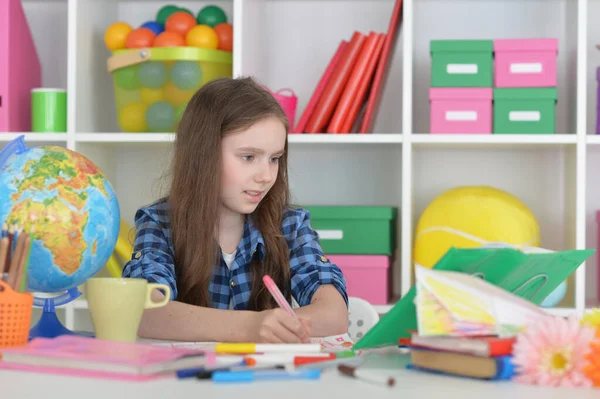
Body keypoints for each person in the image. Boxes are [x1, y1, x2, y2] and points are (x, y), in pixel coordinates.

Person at [122, 76, 349, 344]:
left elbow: (334, 313)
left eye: (274, 159)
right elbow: (145, 311)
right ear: (203, 156)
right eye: (248, 157)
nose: (266, 176)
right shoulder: (159, 223)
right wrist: (251, 326)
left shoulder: (291, 225)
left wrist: (281, 326)